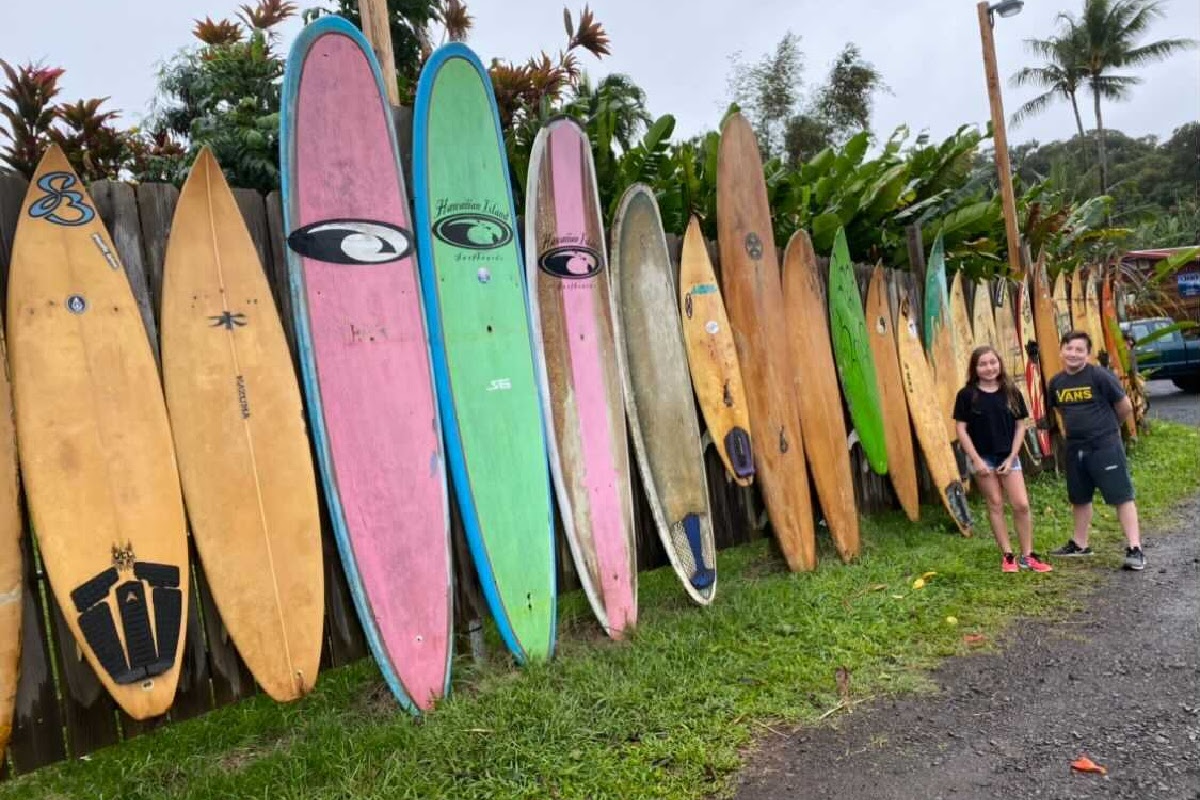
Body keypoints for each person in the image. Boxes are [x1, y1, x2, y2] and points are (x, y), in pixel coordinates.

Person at [1044, 330, 1144, 570]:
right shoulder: (1056, 382)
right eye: (1069, 348)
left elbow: (1125, 407)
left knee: (1121, 495)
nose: (1073, 354)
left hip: (1105, 446)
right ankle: (1080, 544)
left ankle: (1135, 548)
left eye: (1080, 350)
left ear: (1088, 354)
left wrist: (1108, 432)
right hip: (1075, 447)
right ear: (1061, 351)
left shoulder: (1100, 376)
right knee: (1079, 497)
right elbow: (1058, 411)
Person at [953, 345, 1053, 574]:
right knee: (995, 503)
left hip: (1008, 456)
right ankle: (1008, 555)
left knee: (1021, 504)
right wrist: (976, 460)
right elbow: (961, 429)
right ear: (975, 368)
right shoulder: (967, 395)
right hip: (982, 457)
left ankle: (1028, 555)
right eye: (983, 364)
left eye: (993, 362)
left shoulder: (1011, 391)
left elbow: (1020, 426)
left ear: (999, 363)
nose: (989, 368)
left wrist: (1012, 456)